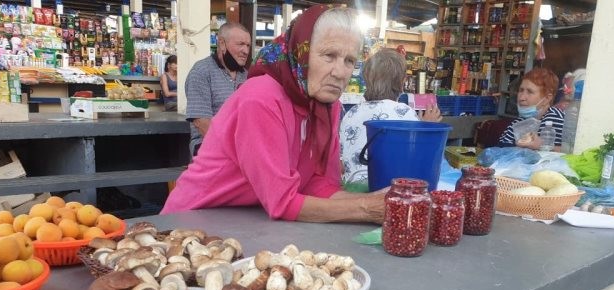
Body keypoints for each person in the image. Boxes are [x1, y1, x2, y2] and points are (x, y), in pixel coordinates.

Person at [162, 5, 385, 224]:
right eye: (329, 55)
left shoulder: (327, 106)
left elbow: (318, 185)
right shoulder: (261, 99)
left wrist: (384, 202)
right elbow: (282, 202)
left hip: (249, 222)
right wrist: (366, 208)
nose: (340, 73)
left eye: (349, 61)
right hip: (191, 223)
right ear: (301, 52)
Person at [339, 48, 442, 188]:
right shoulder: (405, 112)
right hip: (388, 189)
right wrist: (426, 127)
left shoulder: (352, 113)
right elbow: (417, 156)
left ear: (366, 79)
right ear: (402, 82)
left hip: (352, 189)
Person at [185, 22, 251, 153]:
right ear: (222, 44)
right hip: (208, 145)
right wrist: (232, 150)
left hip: (242, 148)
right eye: (240, 44)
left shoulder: (246, 76)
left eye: (248, 45)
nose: (246, 51)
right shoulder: (202, 71)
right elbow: (201, 123)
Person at [498, 68, 564, 150]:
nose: (521, 97)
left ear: (547, 98)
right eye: (521, 90)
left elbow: (568, 153)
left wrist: (541, 146)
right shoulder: (519, 122)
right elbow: (500, 150)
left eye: (530, 92)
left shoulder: (555, 120)